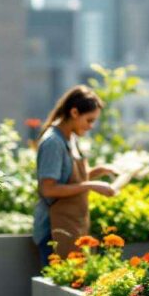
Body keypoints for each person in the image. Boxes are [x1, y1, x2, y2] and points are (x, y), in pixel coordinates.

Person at [33, 86, 117, 265]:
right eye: (89, 120)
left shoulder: (71, 138)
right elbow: (48, 188)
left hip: (71, 225)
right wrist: (92, 185)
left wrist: (101, 170)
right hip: (53, 230)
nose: (91, 126)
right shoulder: (53, 142)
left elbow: (72, 179)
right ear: (74, 112)